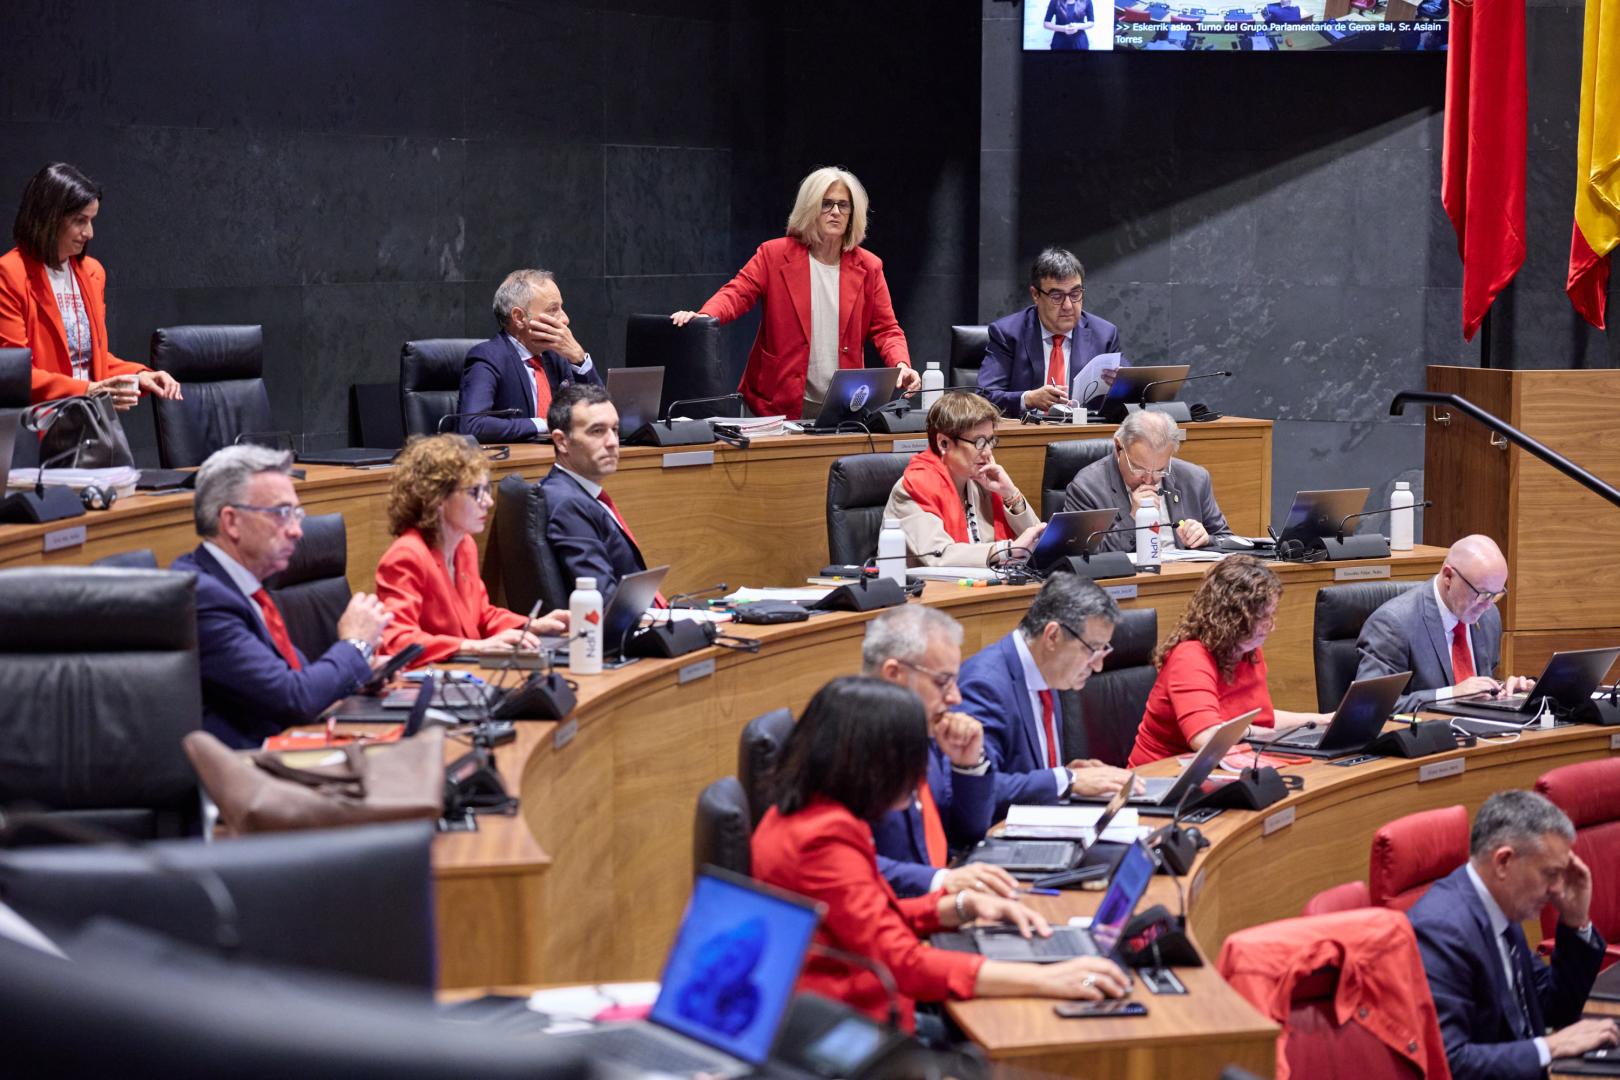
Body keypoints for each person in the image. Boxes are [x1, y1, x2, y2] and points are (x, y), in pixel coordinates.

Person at [749, 676, 1131, 1036]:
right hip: (852, 1031)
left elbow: (869, 919)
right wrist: (1048, 978)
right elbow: (902, 962)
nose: (918, 780)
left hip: (842, 1011)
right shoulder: (823, 839)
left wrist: (961, 906)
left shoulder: (801, 815)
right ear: (872, 765)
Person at [173, 446, 391, 748]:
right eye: (282, 514)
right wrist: (355, 645)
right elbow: (293, 697)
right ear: (231, 522)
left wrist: (355, 675)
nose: (297, 531)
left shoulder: (241, 585)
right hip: (247, 775)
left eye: (297, 514)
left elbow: (293, 679)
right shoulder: (202, 597)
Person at [670, 166, 920, 420]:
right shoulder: (774, 255)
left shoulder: (869, 266)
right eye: (826, 204)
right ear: (810, 208)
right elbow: (737, 293)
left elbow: (886, 329)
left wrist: (901, 363)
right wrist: (704, 316)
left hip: (842, 404)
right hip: (774, 400)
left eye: (843, 205)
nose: (835, 212)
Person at [1408, 790, 1617, 1078]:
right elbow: (1449, 1062)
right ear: (1503, 862)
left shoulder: (1499, 908)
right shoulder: (1440, 931)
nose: (1558, 888)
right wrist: (1549, 1047)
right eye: (1549, 873)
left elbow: (1553, 1007)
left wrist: (1575, 920)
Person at [862, 606, 1019, 899]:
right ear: (894, 674)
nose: (955, 698)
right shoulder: (847, 752)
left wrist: (967, 767)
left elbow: (966, 833)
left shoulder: (924, 734)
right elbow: (848, 866)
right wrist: (941, 880)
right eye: (942, 682)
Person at [373, 435, 567, 667]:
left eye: (487, 489)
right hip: (423, 685)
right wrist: (474, 647)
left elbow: (481, 615)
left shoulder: (464, 546)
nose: (488, 502)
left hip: (463, 676)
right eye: (475, 492)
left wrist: (532, 625)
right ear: (438, 497)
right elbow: (397, 642)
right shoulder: (406, 556)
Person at [0, 162, 182, 407]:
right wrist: (88, 390)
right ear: (48, 217)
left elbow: (93, 359)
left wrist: (140, 375)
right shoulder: (9, 274)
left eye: (91, 220)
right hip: (38, 426)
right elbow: (13, 374)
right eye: (79, 220)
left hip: (90, 419)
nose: (89, 233)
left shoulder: (92, 273)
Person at [958, 574, 1141, 815]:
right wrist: (1066, 780)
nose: (1097, 667)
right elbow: (981, 790)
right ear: (1052, 636)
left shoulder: (1047, 671)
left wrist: (1069, 774)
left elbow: (1024, 770)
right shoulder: (985, 685)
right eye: (1092, 650)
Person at [1128, 556, 1328, 766]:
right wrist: (1248, 729)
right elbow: (1205, 738)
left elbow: (1263, 719)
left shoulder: (1247, 652)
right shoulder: (1189, 657)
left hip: (1213, 768)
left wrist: (1319, 720)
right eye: (1263, 618)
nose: (1272, 627)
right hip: (1162, 775)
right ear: (1233, 617)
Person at [1355, 534, 1533, 715]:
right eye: (1482, 594)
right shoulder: (1392, 624)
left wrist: (1504, 690)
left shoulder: (1488, 617)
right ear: (1448, 576)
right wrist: (1450, 695)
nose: (1488, 605)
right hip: (1424, 739)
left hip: (1481, 736)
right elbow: (1369, 707)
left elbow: (1476, 690)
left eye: (1495, 594)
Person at [883, 391, 1044, 568]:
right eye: (978, 442)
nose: (988, 451)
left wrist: (1010, 494)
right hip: (931, 592)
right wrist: (1006, 550)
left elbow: (1038, 542)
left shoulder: (981, 483)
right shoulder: (911, 488)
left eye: (990, 441)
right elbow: (938, 555)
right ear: (943, 443)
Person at [539, 382, 662, 610]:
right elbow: (602, 602)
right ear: (561, 441)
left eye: (614, 430)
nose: (613, 442)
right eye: (597, 431)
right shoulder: (567, 504)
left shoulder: (578, 493)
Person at [457, 268, 602, 444]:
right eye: (553, 309)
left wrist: (578, 358)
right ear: (519, 317)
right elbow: (473, 425)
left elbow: (600, 413)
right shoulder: (488, 357)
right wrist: (543, 425)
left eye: (561, 307)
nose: (565, 319)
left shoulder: (556, 356)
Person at [977, 248, 1119, 418]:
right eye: (1057, 296)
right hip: (1026, 437)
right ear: (1035, 294)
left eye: (1075, 294)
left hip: (1081, 437)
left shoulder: (1104, 335)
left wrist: (1121, 385)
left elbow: (1131, 391)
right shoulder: (1007, 334)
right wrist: (1028, 399)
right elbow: (984, 398)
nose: (1068, 305)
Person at [1062, 409, 1230, 552]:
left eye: (1160, 470)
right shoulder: (1087, 487)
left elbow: (1228, 541)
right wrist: (1133, 519)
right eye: (1139, 468)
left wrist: (1207, 539)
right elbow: (1083, 556)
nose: (1150, 479)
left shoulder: (1195, 478)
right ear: (1119, 447)